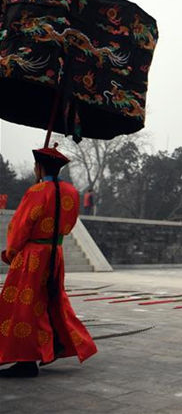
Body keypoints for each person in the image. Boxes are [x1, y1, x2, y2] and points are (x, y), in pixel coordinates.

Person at [0, 145, 97, 377]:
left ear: (40, 167)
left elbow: (20, 226)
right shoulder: (71, 192)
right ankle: (50, 347)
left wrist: (11, 252)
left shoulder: (36, 192)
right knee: (50, 299)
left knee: (22, 306)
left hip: (33, 256)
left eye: (36, 166)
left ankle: (25, 359)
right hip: (56, 253)